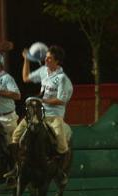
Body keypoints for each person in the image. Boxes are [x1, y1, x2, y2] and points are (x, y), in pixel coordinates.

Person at [8, 45, 73, 183]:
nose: (46, 60)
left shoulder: (62, 79)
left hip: (54, 116)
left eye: (49, 59)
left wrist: (42, 100)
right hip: (38, 113)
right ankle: (16, 168)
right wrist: (26, 60)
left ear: (57, 61)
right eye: (46, 57)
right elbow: (25, 78)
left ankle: (61, 173)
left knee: (62, 143)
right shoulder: (44, 71)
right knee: (15, 135)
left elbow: (61, 100)